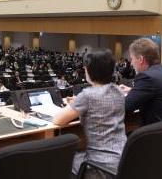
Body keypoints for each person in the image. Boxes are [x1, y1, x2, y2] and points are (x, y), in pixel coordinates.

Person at [54, 49, 126, 178]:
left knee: (59, 161)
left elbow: (58, 120)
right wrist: (78, 103)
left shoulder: (87, 95)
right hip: (124, 160)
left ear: (88, 71)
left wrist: (74, 104)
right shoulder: (118, 91)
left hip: (99, 166)